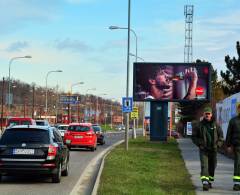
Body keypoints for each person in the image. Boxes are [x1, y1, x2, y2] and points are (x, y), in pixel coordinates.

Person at [192, 106, 224, 191]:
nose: (207, 115)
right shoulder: (199, 125)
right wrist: (200, 144)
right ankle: (205, 183)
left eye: (208, 114)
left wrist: (218, 145)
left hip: (214, 150)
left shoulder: (216, 124)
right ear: (203, 114)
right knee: (204, 166)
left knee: (212, 166)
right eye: (206, 114)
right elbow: (194, 137)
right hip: (204, 150)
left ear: (211, 114)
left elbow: (221, 136)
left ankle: (209, 181)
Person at [226, 104, 240, 191]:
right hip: (237, 146)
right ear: (238, 109)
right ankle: (237, 184)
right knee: (238, 164)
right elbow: (229, 134)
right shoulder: (233, 121)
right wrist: (228, 145)